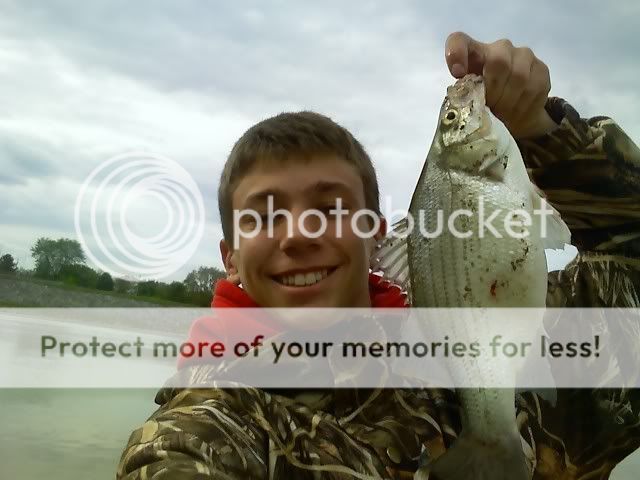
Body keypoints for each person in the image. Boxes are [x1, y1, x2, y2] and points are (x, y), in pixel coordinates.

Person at [116, 32, 640, 479]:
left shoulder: (465, 352)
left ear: (374, 237)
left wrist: (544, 133)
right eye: (266, 214)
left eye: (330, 207)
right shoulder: (200, 436)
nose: (298, 234)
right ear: (230, 259)